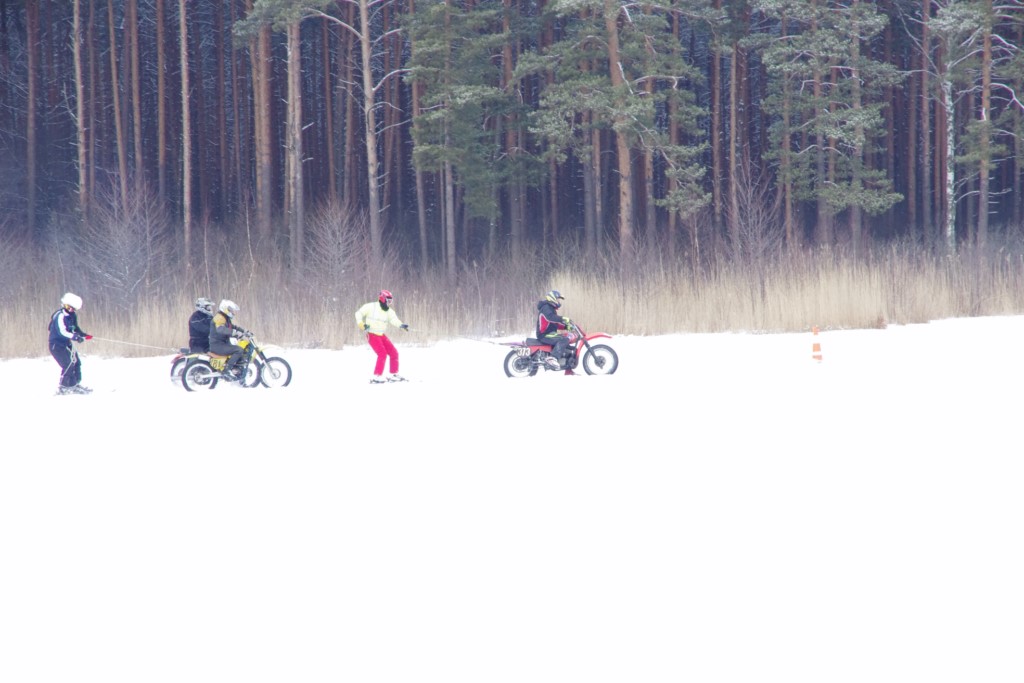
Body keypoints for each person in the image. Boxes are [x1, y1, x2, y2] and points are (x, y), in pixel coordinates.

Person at [355, 289, 409, 383]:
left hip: (381, 335)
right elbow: (358, 313)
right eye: (388, 301)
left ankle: (393, 375)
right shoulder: (371, 306)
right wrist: (361, 323)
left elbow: (394, 320)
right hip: (372, 334)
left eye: (390, 301)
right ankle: (376, 377)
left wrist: (401, 325)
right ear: (382, 299)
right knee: (382, 354)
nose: (389, 303)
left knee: (394, 353)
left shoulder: (389, 311)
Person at [49, 292, 93, 394]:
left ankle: (75, 384)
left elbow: (75, 329)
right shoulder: (59, 316)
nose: (70, 310)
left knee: (76, 362)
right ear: (64, 305)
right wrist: (75, 337)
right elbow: (62, 332)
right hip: (56, 345)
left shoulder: (72, 316)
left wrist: (83, 335)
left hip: (66, 344)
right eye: (68, 307)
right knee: (68, 364)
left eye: (73, 309)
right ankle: (64, 387)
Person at [208, 299, 249, 381]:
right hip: (217, 345)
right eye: (231, 310)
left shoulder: (225, 318)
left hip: (222, 344)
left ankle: (235, 369)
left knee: (238, 347)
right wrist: (235, 333)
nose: (232, 312)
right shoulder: (219, 317)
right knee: (239, 350)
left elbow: (232, 327)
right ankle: (227, 370)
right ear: (225, 308)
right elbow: (221, 329)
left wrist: (244, 331)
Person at [536, 289, 571, 370]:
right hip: (544, 334)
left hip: (549, 333)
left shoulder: (551, 309)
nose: (559, 301)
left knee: (565, 338)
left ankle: (566, 364)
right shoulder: (546, 308)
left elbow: (554, 324)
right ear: (553, 298)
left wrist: (566, 327)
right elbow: (550, 317)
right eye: (558, 299)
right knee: (564, 340)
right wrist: (563, 318)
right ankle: (552, 358)